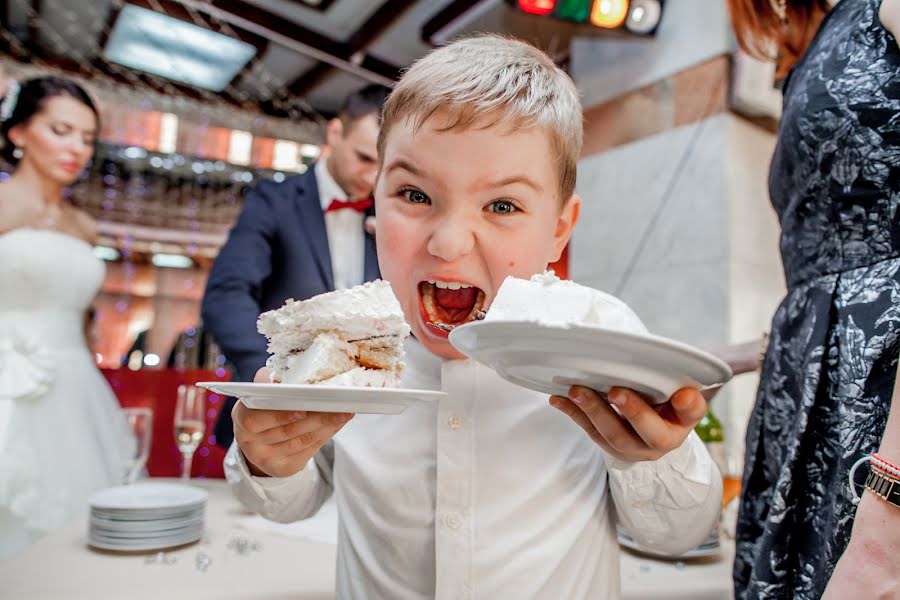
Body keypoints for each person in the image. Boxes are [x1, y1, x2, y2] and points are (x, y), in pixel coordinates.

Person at [224, 36, 722, 598]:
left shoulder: (601, 337)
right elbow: (292, 503)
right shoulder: (344, 346)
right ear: (375, 199)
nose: (449, 242)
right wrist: (268, 460)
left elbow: (678, 533)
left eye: (502, 206)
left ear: (560, 227)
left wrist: (655, 457)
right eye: (414, 194)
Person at [727, 0, 900, 597]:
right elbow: (819, 288)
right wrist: (701, 363)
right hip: (801, 397)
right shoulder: (806, 48)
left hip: (880, 410)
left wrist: (886, 530)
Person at [202, 85, 390, 449]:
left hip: (370, 428)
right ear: (335, 134)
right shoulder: (273, 201)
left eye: (384, 165)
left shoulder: (390, 215)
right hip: (279, 417)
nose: (372, 178)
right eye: (365, 158)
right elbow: (226, 294)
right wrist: (271, 378)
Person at [0, 76, 133, 559]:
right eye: (61, 130)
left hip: (76, 383)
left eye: (86, 138)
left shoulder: (84, 225)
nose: (76, 148)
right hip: (8, 381)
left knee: (78, 526)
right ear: (18, 133)